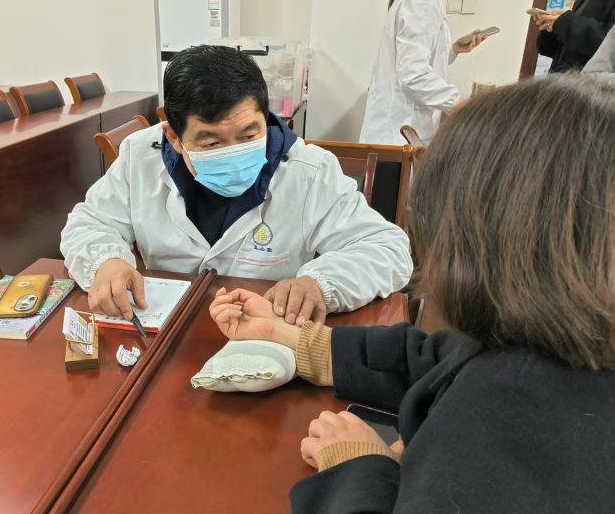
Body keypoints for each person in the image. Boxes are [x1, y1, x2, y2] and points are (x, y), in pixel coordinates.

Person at [210, 74, 615, 514]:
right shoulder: (554, 345)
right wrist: (298, 341)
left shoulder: (512, 415)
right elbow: (438, 359)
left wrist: (359, 468)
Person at [61, 45, 412, 326]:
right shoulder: (141, 156)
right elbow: (89, 223)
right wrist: (107, 261)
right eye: (212, 143)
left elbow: (388, 249)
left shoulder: (309, 171)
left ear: (267, 119)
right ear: (174, 136)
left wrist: (319, 284)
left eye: (248, 136)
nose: (233, 154)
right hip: (168, 333)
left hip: (266, 335)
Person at [360, 0, 484, 146]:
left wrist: (453, 50)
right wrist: (460, 104)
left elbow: (416, 59)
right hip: (397, 135)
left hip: (399, 132)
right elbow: (413, 73)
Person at [536, 0, 615, 73]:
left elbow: (609, 45)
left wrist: (566, 24)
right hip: (563, 77)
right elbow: (567, 53)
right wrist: (552, 27)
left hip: (589, 79)